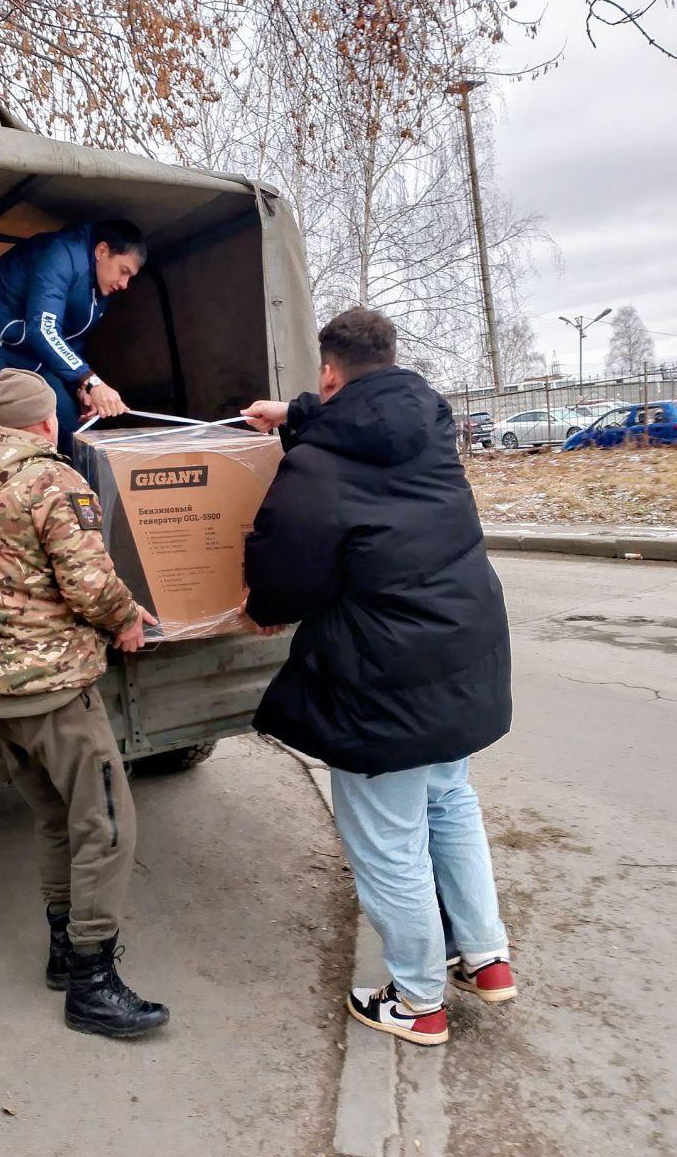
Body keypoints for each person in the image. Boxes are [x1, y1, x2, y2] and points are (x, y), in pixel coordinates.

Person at [241, 307, 515, 1047]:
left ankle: (419, 1000)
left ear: (330, 372)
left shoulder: (317, 465)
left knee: (388, 839)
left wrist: (264, 609)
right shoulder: (431, 425)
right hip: (463, 650)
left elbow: (286, 567)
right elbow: (363, 422)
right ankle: (485, 957)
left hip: (380, 673)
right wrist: (295, 412)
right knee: (449, 798)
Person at [0, 366, 169, 1039]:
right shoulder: (51, 480)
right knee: (106, 824)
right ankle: (92, 986)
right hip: (52, 689)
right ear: (47, 421)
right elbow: (89, 582)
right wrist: (126, 618)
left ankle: (64, 955)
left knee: (55, 819)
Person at [0, 219, 148, 452]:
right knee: (18, 437)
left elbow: (71, 340)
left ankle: (71, 477)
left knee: (74, 432)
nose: (125, 284)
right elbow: (43, 329)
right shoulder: (61, 253)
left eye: (130, 277)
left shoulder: (100, 288)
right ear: (102, 251)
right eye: (123, 271)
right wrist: (90, 381)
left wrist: (80, 388)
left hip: (33, 356)